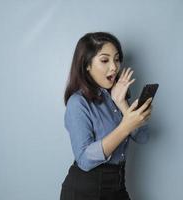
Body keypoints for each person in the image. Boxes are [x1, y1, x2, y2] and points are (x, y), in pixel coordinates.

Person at [60, 32, 153, 200]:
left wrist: (122, 103)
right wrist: (125, 127)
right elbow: (84, 160)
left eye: (117, 59)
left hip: (117, 186)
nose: (114, 67)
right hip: (85, 191)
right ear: (86, 65)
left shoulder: (117, 96)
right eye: (105, 60)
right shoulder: (78, 103)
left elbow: (143, 137)